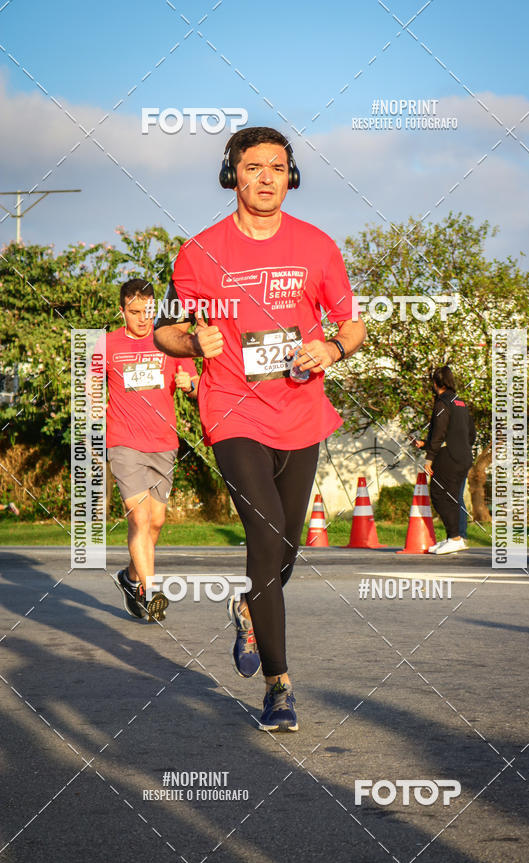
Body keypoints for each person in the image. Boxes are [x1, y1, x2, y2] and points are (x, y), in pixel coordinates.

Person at [154, 126, 366, 731]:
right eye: (253, 167)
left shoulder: (317, 246)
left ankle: (248, 606)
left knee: (285, 550)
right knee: (266, 534)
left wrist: (333, 348)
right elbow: (164, 331)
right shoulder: (200, 250)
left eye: (278, 166)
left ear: (290, 176)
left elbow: (352, 325)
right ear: (233, 176)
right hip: (232, 409)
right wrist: (193, 339)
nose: (267, 177)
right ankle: (279, 685)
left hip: (301, 413)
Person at [103, 278, 199, 621]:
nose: (143, 319)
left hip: (163, 442)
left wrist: (191, 386)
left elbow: (192, 384)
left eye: (148, 311)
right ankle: (150, 592)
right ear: (121, 311)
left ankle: (130, 578)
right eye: (134, 312)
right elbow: (89, 390)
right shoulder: (107, 345)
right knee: (139, 517)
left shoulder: (168, 341)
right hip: (124, 442)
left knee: (155, 522)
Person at [415, 365, 475, 554]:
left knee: (440, 496)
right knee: (453, 498)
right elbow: (470, 434)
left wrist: (429, 458)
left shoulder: (442, 403)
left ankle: (454, 538)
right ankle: (455, 537)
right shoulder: (461, 403)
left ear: (435, 383)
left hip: (449, 458)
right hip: (464, 457)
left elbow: (440, 432)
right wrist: (426, 444)